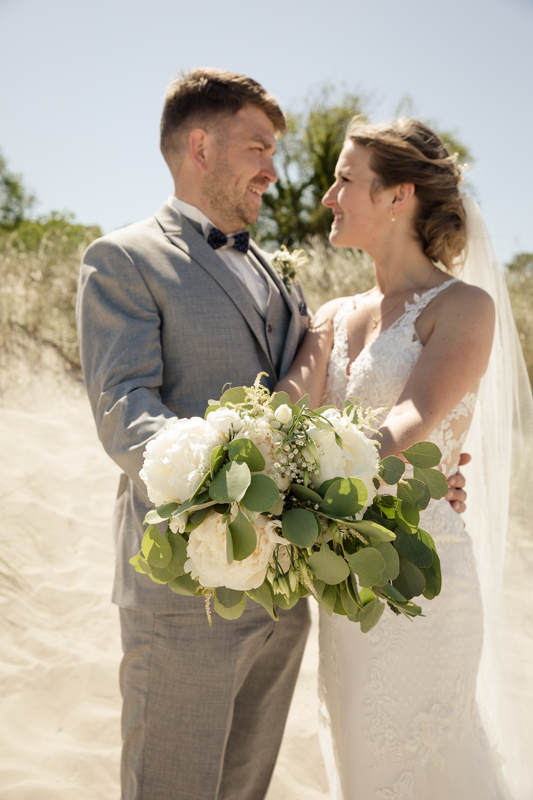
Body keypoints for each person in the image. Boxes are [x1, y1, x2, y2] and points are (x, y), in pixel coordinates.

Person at [76, 70, 468, 800]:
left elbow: (319, 407)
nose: (273, 172)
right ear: (200, 146)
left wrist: (409, 475)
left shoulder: (281, 277)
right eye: (258, 149)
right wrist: (224, 489)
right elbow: (124, 410)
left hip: (287, 595)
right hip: (185, 585)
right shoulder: (125, 259)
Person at [276, 117, 532, 799]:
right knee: (362, 763)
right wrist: (243, 450)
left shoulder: (464, 307)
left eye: (344, 180)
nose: (329, 196)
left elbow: (411, 422)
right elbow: (285, 407)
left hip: (420, 574)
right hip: (345, 581)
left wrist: (314, 475)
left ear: (398, 195)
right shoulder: (331, 316)